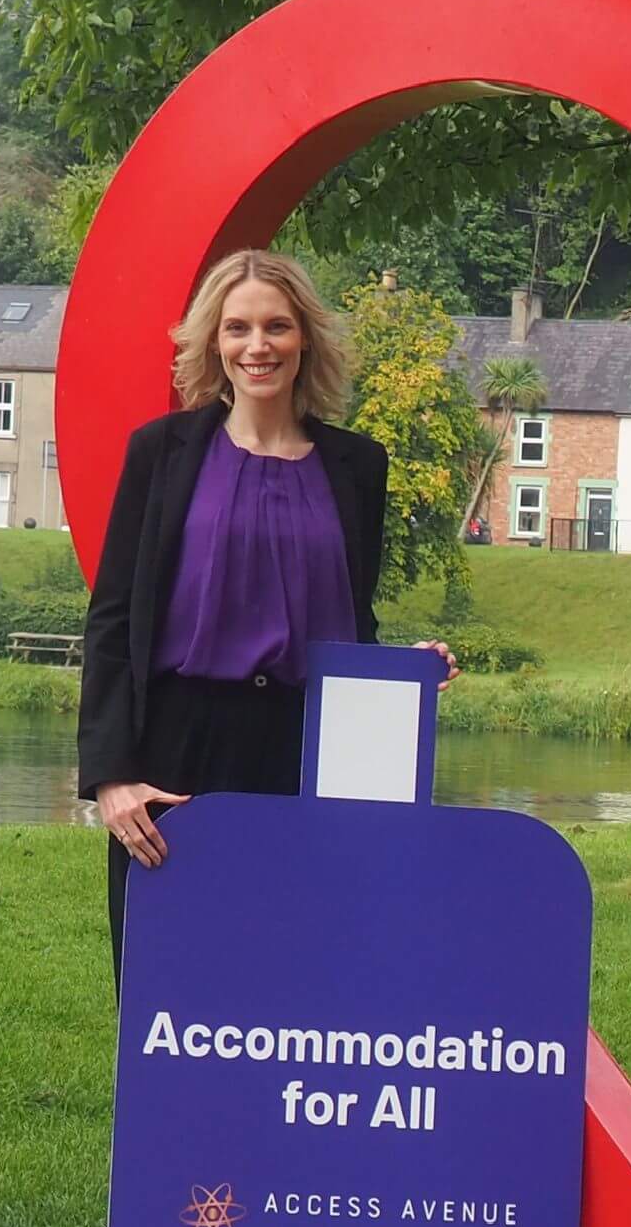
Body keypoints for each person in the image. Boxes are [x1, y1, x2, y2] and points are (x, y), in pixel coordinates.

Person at [76, 248, 457, 996]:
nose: (259, 346)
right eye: (239, 328)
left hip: (306, 752)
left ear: (305, 337)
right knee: (169, 983)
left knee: (296, 981)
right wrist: (112, 779)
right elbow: (114, 619)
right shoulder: (162, 453)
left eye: (277, 326)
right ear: (214, 343)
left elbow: (350, 621)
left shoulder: (358, 466)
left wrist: (399, 677)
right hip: (177, 751)